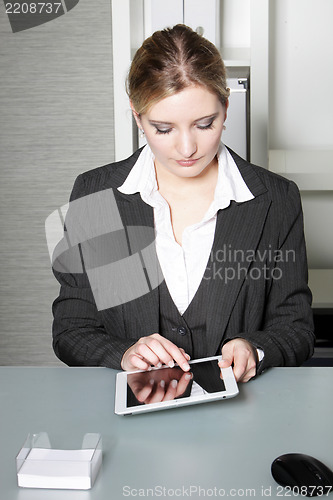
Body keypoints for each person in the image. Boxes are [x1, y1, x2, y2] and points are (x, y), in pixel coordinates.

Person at [52, 24, 315, 383]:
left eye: (205, 124)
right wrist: (124, 353)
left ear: (226, 105)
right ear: (136, 115)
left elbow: (295, 328)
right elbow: (72, 330)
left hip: (242, 426)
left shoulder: (276, 199)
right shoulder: (98, 195)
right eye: (163, 129)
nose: (188, 148)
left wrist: (256, 348)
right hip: (134, 426)